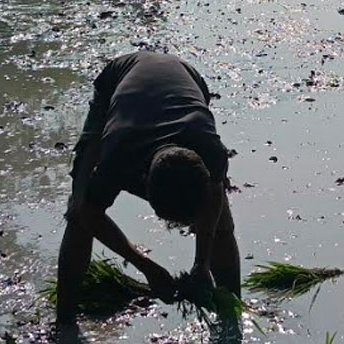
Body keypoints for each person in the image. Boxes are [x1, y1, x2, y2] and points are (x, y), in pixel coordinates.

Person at [55, 51, 238, 326]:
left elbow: (213, 197)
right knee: (77, 214)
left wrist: (201, 264)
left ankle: (231, 312)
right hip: (119, 80)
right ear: (144, 187)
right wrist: (147, 267)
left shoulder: (210, 149)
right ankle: (64, 320)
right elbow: (88, 212)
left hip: (187, 78)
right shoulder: (117, 155)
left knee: (222, 225)